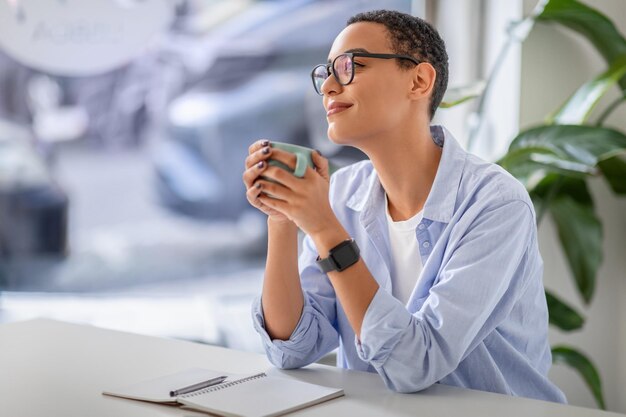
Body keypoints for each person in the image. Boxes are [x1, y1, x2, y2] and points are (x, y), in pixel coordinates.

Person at [242, 9, 566, 402]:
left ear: (418, 80)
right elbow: (292, 347)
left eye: (349, 66)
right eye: (325, 72)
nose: (328, 85)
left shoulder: (496, 206)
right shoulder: (341, 194)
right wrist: (283, 218)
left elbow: (417, 364)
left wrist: (326, 230)